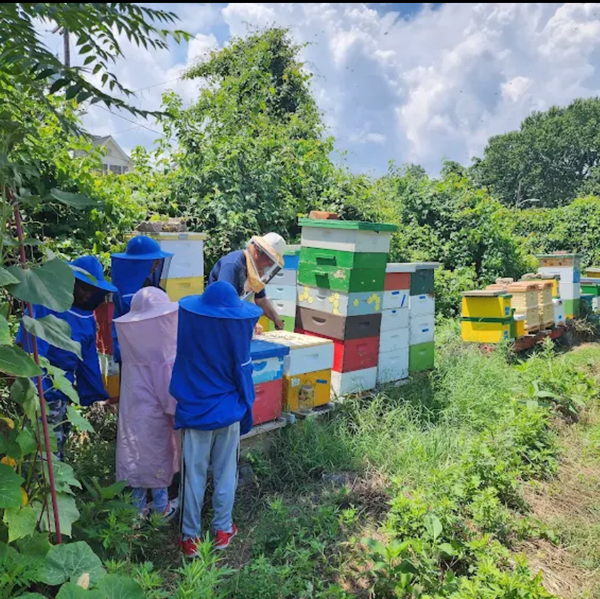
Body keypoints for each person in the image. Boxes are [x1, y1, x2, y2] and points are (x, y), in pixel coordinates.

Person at [170, 281, 262, 556]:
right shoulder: (235, 338)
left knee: (192, 477)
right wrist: (247, 409)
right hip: (227, 413)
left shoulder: (191, 337)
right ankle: (222, 529)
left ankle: (190, 538)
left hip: (195, 414)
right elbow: (243, 377)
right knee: (225, 474)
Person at [17, 256, 117, 460]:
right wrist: (35, 390)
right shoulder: (44, 304)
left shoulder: (86, 318)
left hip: (61, 391)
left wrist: (93, 392)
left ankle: (50, 488)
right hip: (39, 390)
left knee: (55, 447)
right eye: (83, 287)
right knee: (40, 451)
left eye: (91, 290)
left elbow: (87, 361)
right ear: (69, 282)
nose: (87, 294)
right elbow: (32, 351)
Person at [113, 287, 180, 520]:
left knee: (137, 460)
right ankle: (161, 509)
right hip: (155, 418)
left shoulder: (133, 351)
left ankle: (136, 510)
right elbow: (168, 396)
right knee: (157, 462)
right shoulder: (160, 358)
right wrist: (178, 410)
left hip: (132, 414)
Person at [110, 236, 173, 364]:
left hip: (146, 348)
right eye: (155, 261)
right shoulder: (127, 291)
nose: (158, 265)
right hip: (132, 350)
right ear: (143, 262)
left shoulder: (143, 279)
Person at [208, 232, 286, 331]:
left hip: (231, 320)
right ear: (258, 251)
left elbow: (261, 300)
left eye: (273, 263)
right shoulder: (232, 265)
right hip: (215, 321)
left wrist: (276, 319)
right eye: (269, 260)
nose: (269, 265)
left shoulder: (255, 271)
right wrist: (250, 322)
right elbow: (225, 302)